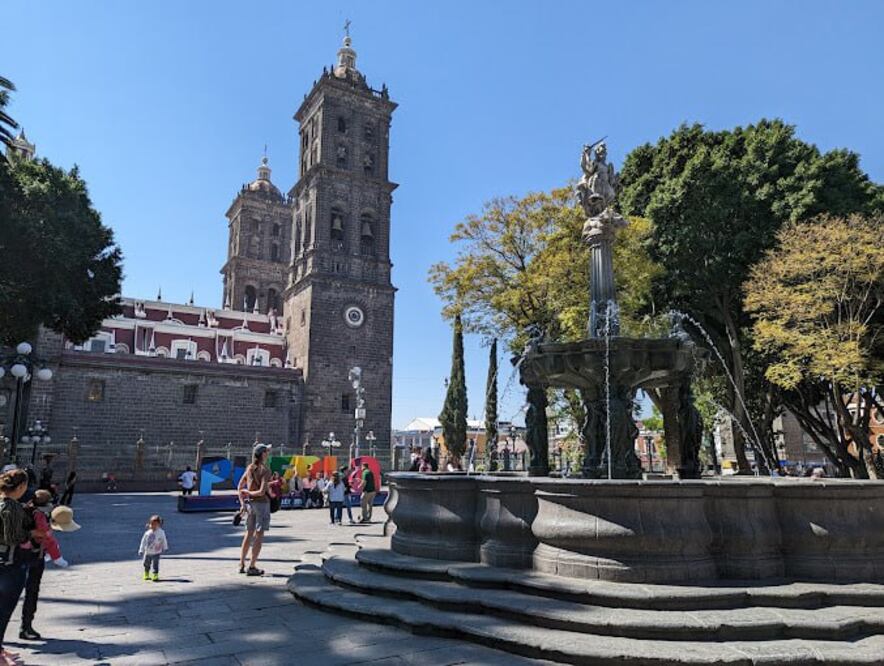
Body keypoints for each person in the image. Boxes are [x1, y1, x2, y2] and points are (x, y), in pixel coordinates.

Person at [18, 492, 76, 640]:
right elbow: (47, 537)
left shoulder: (23, 510)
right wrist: (57, 557)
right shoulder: (40, 515)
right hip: (34, 556)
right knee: (32, 591)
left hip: (16, 556)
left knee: (11, 594)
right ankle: (26, 627)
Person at [0, 468, 35, 665]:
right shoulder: (12, 507)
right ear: (21, 486)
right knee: (4, 611)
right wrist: (30, 534)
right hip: (10, 563)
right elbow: (13, 537)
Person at [238, 443, 271, 576]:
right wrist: (250, 492)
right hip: (262, 504)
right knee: (259, 535)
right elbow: (262, 492)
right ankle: (252, 566)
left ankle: (241, 563)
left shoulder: (249, 468)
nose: (268, 454)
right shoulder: (265, 470)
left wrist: (243, 503)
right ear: (263, 454)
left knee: (248, 533)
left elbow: (240, 486)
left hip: (250, 505)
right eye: (267, 452)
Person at [138, 514, 168, 582]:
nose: (153, 526)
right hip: (148, 551)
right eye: (152, 524)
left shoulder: (161, 532)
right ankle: (146, 573)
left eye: (155, 524)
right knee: (146, 563)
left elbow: (164, 540)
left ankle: (155, 574)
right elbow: (143, 541)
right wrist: (141, 550)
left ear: (159, 525)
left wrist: (165, 547)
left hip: (156, 552)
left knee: (155, 564)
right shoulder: (147, 533)